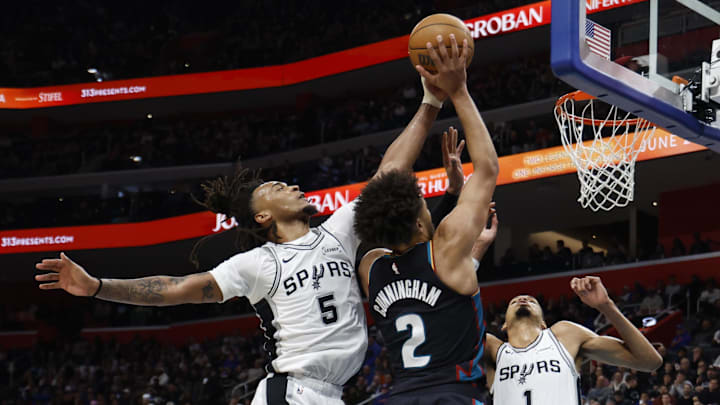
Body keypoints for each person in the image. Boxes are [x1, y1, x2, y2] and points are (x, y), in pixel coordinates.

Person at [34, 68, 450, 405]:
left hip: (329, 393)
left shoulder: (338, 233)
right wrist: (97, 287)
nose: (290, 185)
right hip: (292, 392)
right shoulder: (260, 263)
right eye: (276, 186)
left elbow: (389, 172)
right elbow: (176, 288)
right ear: (264, 215)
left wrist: (430, 102)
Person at [354, 33, 500, 403]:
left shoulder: (372, 268)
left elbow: (386, 184)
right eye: (422, 200)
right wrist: (458, 90)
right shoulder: (446, 250)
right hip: (450, 395)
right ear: (421, 223)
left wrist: (430, 100)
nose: (425, 200)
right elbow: (486, 169)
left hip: (395, 396)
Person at [484, 276, 663, 405]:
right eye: (514, 301)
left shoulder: (565, 335)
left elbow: (649, 362)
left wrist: (606, 306)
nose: (523, 299)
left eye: (532, 300)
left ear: (544, 323)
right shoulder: (492, 348)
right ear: (504, 325)